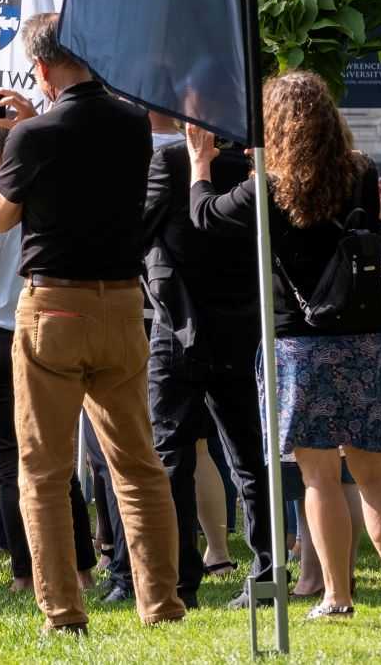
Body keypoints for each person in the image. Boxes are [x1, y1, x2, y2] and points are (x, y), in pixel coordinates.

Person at [0, 13, 185, 633]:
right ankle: (163, 604)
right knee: (138, 464)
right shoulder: (133, 123)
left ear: (40, 68)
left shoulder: (33, 137)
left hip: (53, 307)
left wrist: (20, 136)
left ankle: (64, 613)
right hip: (123, 305)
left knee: (43, 471)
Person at [186, 70, 381, 620]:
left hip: (301, 346)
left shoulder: (269, 187)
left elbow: (204, 215)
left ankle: (336, 595)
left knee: (319, 478)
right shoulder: (361, 173)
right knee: (373, 477)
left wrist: (199, 163)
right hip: (366, 338)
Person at [142, 111, 273, 610]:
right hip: (238, 323)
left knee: (174, 457)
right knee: (247, 456)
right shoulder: (250, 159)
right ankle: (263, 570)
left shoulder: (172, 159)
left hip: (182, 325)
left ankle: (181, 582)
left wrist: (152, 270)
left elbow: (141, 228)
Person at [0, 119, 98, 596]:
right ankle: (82, 566)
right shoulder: (59, 202)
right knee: (57, 455)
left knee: (7, 461)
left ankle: (25, 572)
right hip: (48, 324)